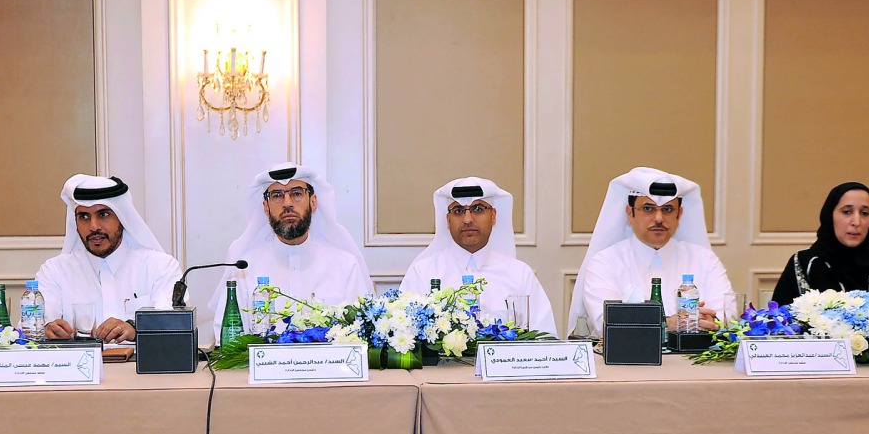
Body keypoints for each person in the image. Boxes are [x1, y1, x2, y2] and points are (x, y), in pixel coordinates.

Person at [210, 163, 373, 340]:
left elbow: (362, 336)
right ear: (266, 207)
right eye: (277, 195)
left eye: (296, 194)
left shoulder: (345, 265)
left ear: (313, 202)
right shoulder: (245, 268)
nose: (287, 203)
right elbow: (228, 340)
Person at [568, 167, 733, 335]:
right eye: (648, 208)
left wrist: (711, 321)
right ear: (630, 213)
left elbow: (725, 316)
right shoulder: (604, 262)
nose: (659, 218)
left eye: (668, 209)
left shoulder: (705, 260)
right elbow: (607, 325)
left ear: (679, 214)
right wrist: (669, 324)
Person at [399, 177, 557, 335]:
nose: (467, 219)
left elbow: (544, 338)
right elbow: (404, 336)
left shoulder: (520, 275)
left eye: (478, 209)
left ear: (493, 216)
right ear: (448, 219)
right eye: (458, 211)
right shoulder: (422, 273)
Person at [37, 175, 182, 343]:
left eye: (103, 214)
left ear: (122, 217)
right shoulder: (54, 271)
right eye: (84, 217)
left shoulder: (160, 267)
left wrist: (135, 329)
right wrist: (46, 330)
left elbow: (174, 326)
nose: (93, 227)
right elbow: (33, 327)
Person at [771, 182, 869, 305]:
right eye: (847, 212)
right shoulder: (805, 264)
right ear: (829, 216)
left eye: (865, 213)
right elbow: (779, 317)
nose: (856, 222)